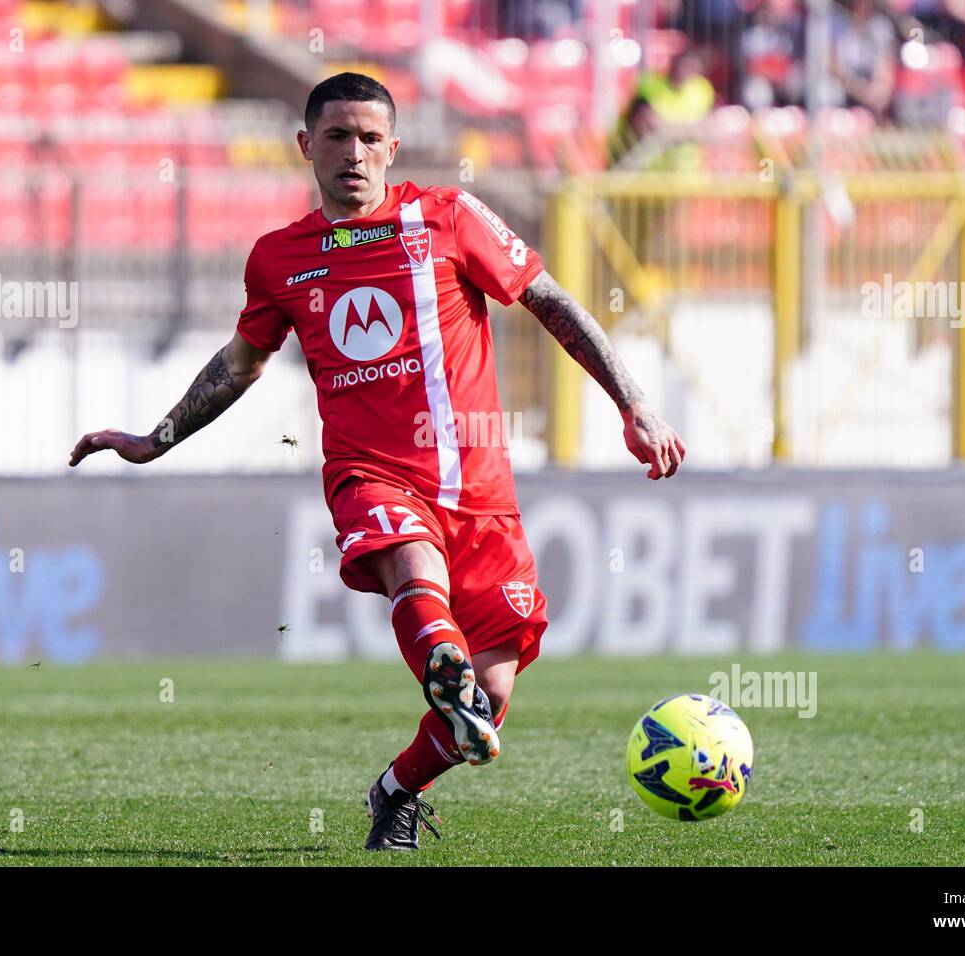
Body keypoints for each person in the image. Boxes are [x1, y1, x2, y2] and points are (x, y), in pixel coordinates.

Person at [67, 73, 685, 851]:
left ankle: (395, 788)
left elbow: (552, 301)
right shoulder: (279, 259)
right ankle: (442, 663)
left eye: (368, 139)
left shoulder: (450, 217)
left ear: (393, 147)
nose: (353, 154)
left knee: (490, 700)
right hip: (373, 475)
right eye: (335, 137)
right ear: (306, 147)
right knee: (412, 571)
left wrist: (634, 406)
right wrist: (153, 440)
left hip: (481, 491)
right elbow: (239, 365)